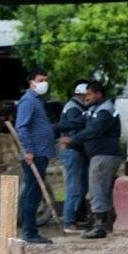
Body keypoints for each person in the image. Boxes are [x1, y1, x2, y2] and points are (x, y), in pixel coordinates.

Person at [65, 81, 122, 240]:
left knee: (97, 190)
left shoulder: (104, 111)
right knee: (102, 190)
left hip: (104, 156)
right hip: (101, 156)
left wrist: (72, 140)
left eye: (89, 94)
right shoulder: (95, 109)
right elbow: (76, 122)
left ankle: (99, 227)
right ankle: (106, 223)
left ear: (98, 94)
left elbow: (93, 131)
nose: (86, 97)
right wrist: (53, 128)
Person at [14, 67, 56, 244]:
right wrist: (29, 150)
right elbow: (21, 127)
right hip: (35, 154)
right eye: (40, 80)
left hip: (40, 153)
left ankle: (30, 230)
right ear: (31, 82)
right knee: (32, 193)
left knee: (34, 192)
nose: (43, 83)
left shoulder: (37, 100)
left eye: (45, 79)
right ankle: (30, 232)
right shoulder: (28, 101)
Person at [56, 80, 90, 233]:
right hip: (71, 151)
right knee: (74, 188)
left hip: (75, 151)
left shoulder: (77, 107)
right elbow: (74, 128)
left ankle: (76, 218)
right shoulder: (74, 109)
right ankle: (69, 222)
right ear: (83, 95)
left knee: (80, 187)